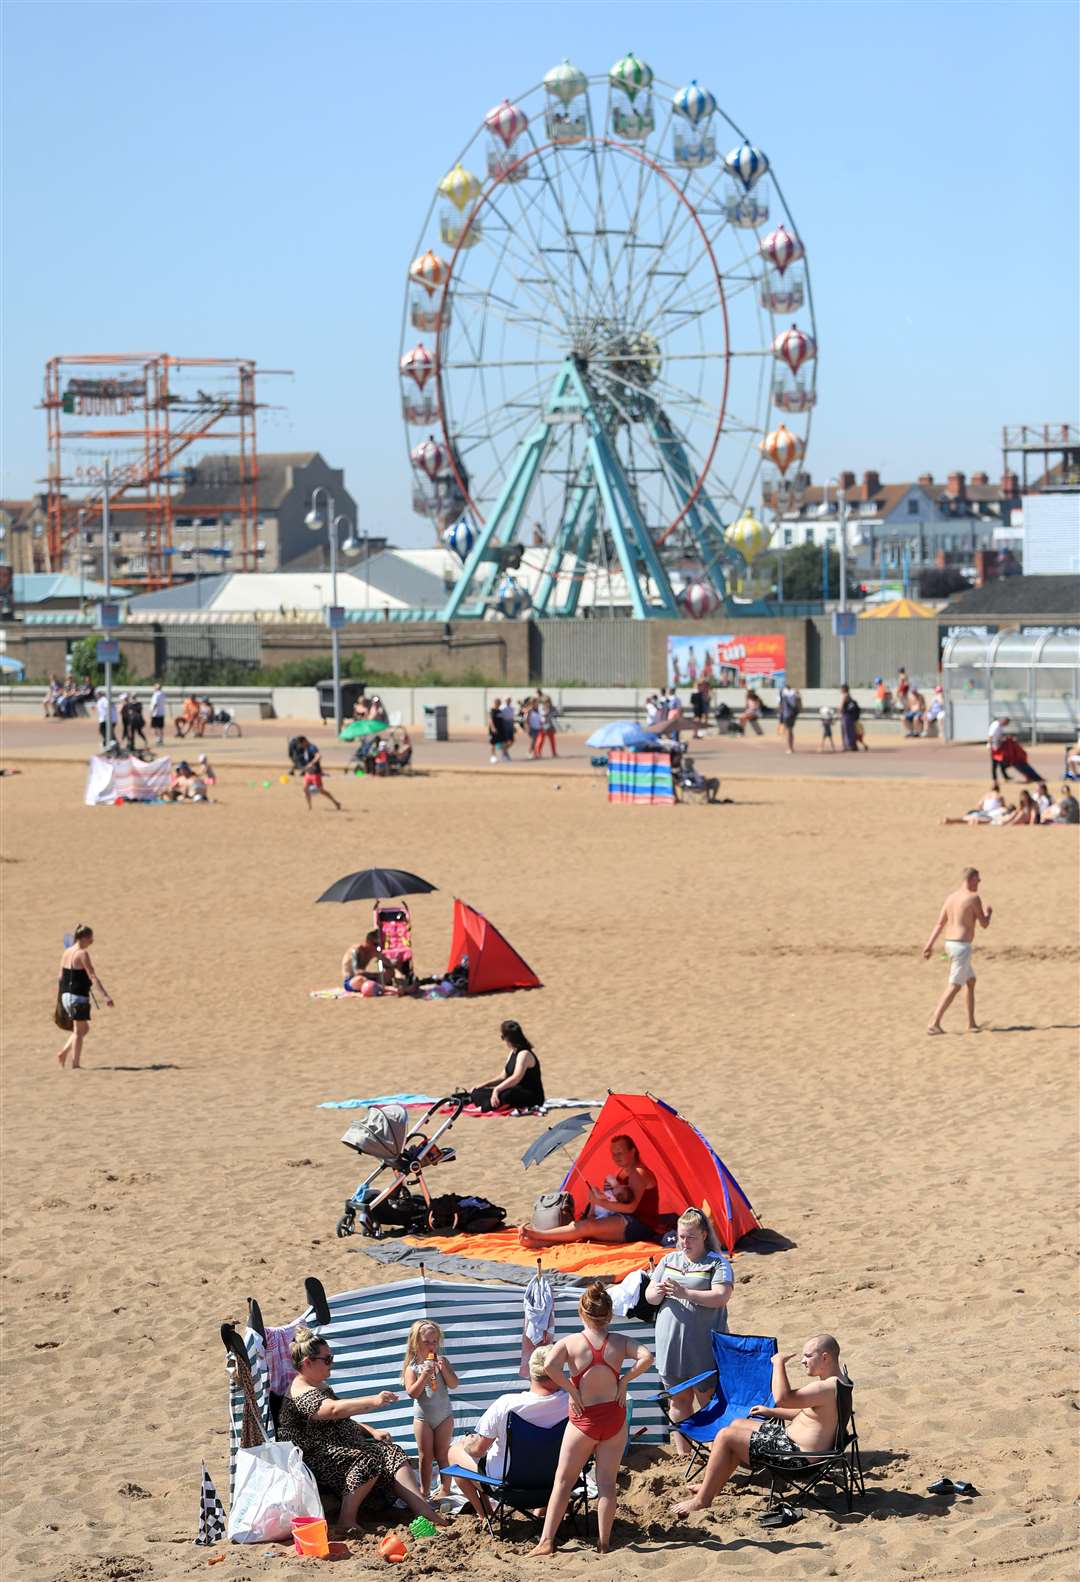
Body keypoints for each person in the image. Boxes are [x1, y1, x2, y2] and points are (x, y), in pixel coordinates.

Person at [277, 1327, 447, 1539]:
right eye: (327, 1359)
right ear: (307, 1363)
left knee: (391, 1451)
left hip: (339, 1447)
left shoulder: (319, 1384)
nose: (331, 1362)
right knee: (368, 1459)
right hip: (315, 1455)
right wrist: (373, 1401)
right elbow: (331, 1410)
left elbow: (341, 1416)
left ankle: (424, 1510)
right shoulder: (300, 1390)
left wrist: (371, 1430)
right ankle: (346, 1520)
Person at [528, 1283, 654, 1556]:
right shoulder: (619, 1342)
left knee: (563, 1481)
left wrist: (571, 1389)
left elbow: (548, 1365)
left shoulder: (571, 1343)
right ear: (609, 1316)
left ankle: (547, 1541)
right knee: (607, 1484)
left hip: (584, 1418)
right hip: (613, 1416)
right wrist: (624, 1382)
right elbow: (647, 1357)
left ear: (581, 1314)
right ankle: (604, 1543)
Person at [672, 1335, 849, 1517]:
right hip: (799, 1447)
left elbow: (782, 1398)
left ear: (825, 1357)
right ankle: (713, 1485)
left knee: (726, 1435)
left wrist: (778, 1363)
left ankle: (702, 1500)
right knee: (737, 1423)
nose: (803, 1361)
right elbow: (811, 1414)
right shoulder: (840, 1383)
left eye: (808, 1356)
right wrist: (770, 1412)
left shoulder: (825, 1388)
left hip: (797, 1459)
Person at [646, 1208, 733, 1455]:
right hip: (670, 1343)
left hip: (702, 1343)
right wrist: (658, 1290)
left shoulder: (716, 1263)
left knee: (707, 1398)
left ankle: (717, 1454)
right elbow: (650, 1297)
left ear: (704, 1234)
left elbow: (720, 1296)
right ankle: (684, 1455)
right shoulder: (668, 1261)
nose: (685, 1242)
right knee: (678, 1399)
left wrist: (686, 1294)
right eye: (681, 1236)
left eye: (691, 1237)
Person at [448, 1345, 569, 1518]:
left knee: (454, 1451)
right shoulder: (571, 1403)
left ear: (529, 1370)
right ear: (558, 1370)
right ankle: (540, 1511)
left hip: (507, 1485)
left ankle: (486, 1516)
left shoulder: (507, 1404)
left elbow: (478, 1450)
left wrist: (467, 1443)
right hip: (553, 1482)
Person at [520, 1135, 661, 1247]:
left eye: (620, 1153)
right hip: (624, 1218)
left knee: (587, 1226)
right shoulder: (623, 1172)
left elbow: (630, 1208)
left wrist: (599, 1201)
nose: (616, 1157)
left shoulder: (638, 1173)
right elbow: (615, 1199)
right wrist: (598, 1200)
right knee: (583, 1226)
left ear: (633, 1151)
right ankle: (543, 1240)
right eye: (613, 1154)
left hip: (639, 1225)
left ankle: (538, 1235)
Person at [923, 866, 992, 1034]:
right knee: (954, 985)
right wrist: (989, 913)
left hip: (950, 944)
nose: (980, 882)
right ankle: (934, 1022)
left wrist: (929, 945)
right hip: (962, 947)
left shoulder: (951, 898)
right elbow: (984, 924)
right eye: (978, 879)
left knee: (970, 980)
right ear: (970, 880)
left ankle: (971, 1024)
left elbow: (940, 923)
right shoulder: (973, 898)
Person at [403, 1320, 460, 1500]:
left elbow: (454, 1384)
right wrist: (425, 1375)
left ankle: (445, 1488)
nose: (431, 1346)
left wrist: (444, 1370)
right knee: (425, 1456)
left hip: (444, 1416)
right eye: (427, 1342)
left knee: (443, 1453)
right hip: (423, 1418)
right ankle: (425, 1491)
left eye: (434, 1342)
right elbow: (413, 1393)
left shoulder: (443, 1361)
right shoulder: (413, 1368)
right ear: (415, 1343)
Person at [56, 923, 113, 1069]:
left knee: (83, 1029)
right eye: (91, 939)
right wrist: (105, 996)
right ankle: (75, 1064)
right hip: (77, 997)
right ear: (83, 938)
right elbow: (93, 976)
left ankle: (63, 1053)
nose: (91, 942)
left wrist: (61, 998)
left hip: (65, 996)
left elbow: (60, 976)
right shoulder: (82, 954)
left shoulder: (66, 952)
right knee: (78, 1032)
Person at [471, 1020, 544, 1111]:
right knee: (477, 1092)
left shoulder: (524, 1054)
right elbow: (503, 1076)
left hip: (530, 1095)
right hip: (515, 1090)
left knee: (506, 1094)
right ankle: (490, 1103)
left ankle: (484, 1108)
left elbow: (516, 1078)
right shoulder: (513, 1052)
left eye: (503, 1037)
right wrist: (485, 1084)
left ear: (509, 1038)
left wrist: (496, 1090)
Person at [291, 736, 341, 812]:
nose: (301, 746)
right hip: (308, 773)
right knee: (305, 789)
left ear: (304, 741)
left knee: (321, 791)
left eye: (301, 744)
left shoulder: (312, 747)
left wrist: (311, 763)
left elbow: (319, 756)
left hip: (315, 773)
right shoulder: (305, 749)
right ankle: (309, 807)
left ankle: (336, 802)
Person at [988, 715, 1011, 786]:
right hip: (994, 747)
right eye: (1006, 723)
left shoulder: (1000, 726)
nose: (1006, 725)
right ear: (1004, 721)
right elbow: (990, 736)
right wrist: (990, 746)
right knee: (995, 764)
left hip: (998, 747)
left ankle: (1005, 777)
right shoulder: (995, 725)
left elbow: (1000, 736)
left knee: (1002, 762)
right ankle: (994, 779)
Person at [777, 683, 800, 753]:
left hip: (787, 714)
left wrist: (781, 713)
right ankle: (791, 747)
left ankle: (790, 748)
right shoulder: (795, 693)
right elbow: (799, 703)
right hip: (793, 714)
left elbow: (780, 705)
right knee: (790, 730)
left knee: (788, 731)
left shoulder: (782, 694)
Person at [535, 693, 559, 757]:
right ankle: (538, 752)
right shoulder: (539, 708)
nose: (546, 703)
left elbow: (556, 713)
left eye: (547, 701)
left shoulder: (552, 708)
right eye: (545, 702)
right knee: (541, 739)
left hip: (549, 725)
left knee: (552, 740)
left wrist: (550, 714)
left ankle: (554, 753)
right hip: (542, 725)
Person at [839, 685, 860, 752]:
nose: (840, 690)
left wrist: (840, 711)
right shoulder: (850, 696)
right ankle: (853, 745)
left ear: (844, 689)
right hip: (851, 717)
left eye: (841, 689)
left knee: (846, 731)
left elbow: (841, 707)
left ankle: (847, 746)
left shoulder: (845, 696)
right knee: (851, 731)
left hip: (846, 716)